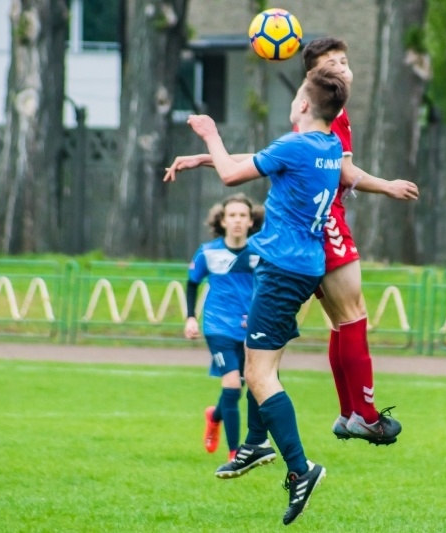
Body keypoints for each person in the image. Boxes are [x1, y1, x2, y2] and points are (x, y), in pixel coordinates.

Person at [165, 64, 349, 526]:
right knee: (259, 364)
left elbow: (233, 175)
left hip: (282, 270)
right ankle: (253, 444)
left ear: (303, 104)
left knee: (261, 376)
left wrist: (209, 136)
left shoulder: (295, 144)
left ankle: (300, 469)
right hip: (305, 266)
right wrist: (205, 158)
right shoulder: (327, 145)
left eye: (295, 97)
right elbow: (260, 159)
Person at [300, 37, 418, 445]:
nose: (343, 70)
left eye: (345, 62)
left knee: (339, 321)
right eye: (331, 64)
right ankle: (365, 416)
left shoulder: (307, 110)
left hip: (310, 222)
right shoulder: (332, 113)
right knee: (353, 316)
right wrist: (388, 186)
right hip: (326, 219)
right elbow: (346, 174)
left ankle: (349, 412)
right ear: (315, 76)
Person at [185, 193, 263, 464]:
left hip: (250, 328)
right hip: (218, 326)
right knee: (231, 383)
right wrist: (190, 317)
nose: (237, 221)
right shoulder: (208, 252)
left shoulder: (259, 252)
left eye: (243, 215)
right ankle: (235, 452)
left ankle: (214, 416)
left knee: (240, 387)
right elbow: (192, 283)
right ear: (223, 220)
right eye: (232, 215)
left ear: (251, 221)